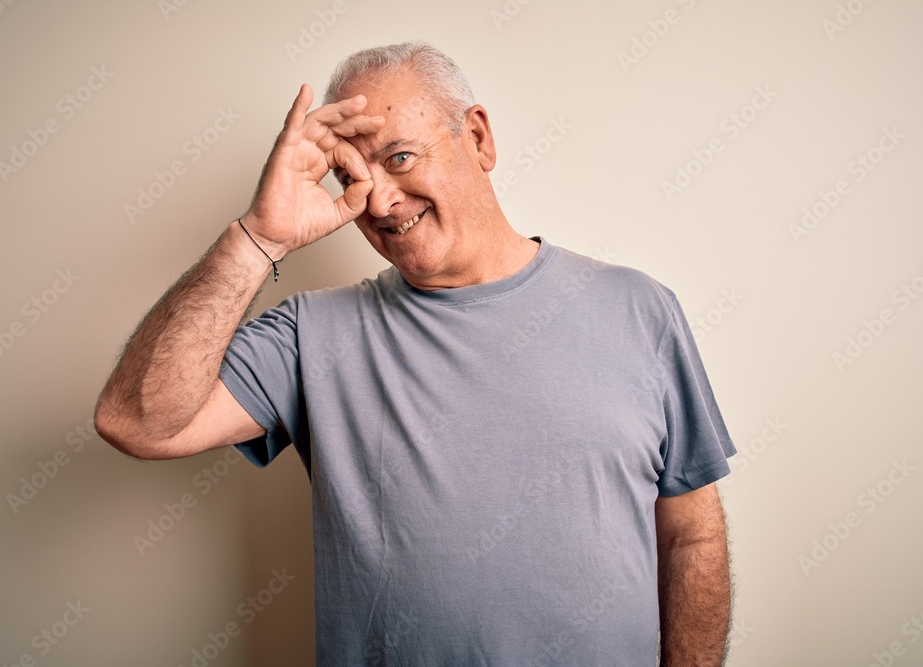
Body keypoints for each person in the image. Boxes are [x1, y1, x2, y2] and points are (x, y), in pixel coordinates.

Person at [95, 41, 736, 666]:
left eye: (399, 157)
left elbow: (692, 536)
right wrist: (257, 239)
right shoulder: (310, 334)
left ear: (479, 139)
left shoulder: (639, 309)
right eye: (352, 176)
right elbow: (138, 422)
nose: (376, 200)